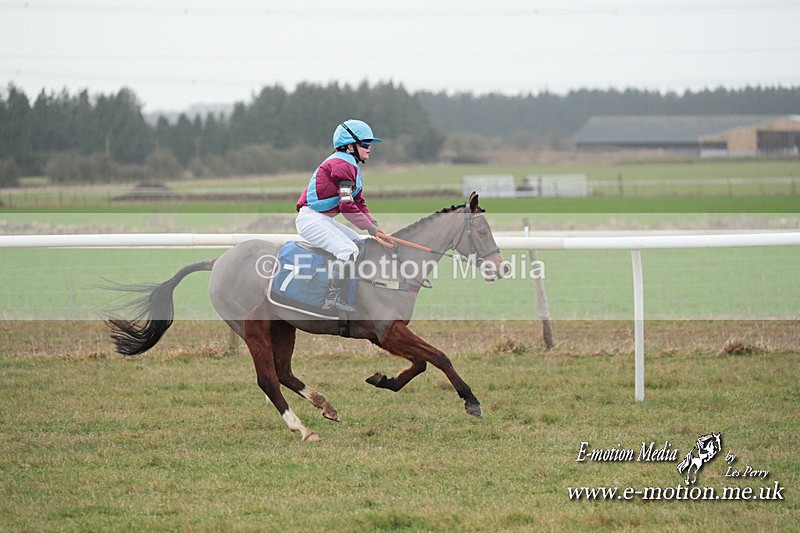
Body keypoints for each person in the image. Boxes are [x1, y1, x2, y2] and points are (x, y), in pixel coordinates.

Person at [295, 119, 382, 311]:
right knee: (348, 251)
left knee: (359, 244)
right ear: (350, 146)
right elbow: (347, 206)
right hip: (311, 220)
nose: (369, 149)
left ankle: (352, 292)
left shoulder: (351, 166)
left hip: (322, 219)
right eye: (366, 144)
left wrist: (374, 224)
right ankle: (332, 297)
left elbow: (359, 201)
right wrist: (369, 227)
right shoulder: (341, 164)